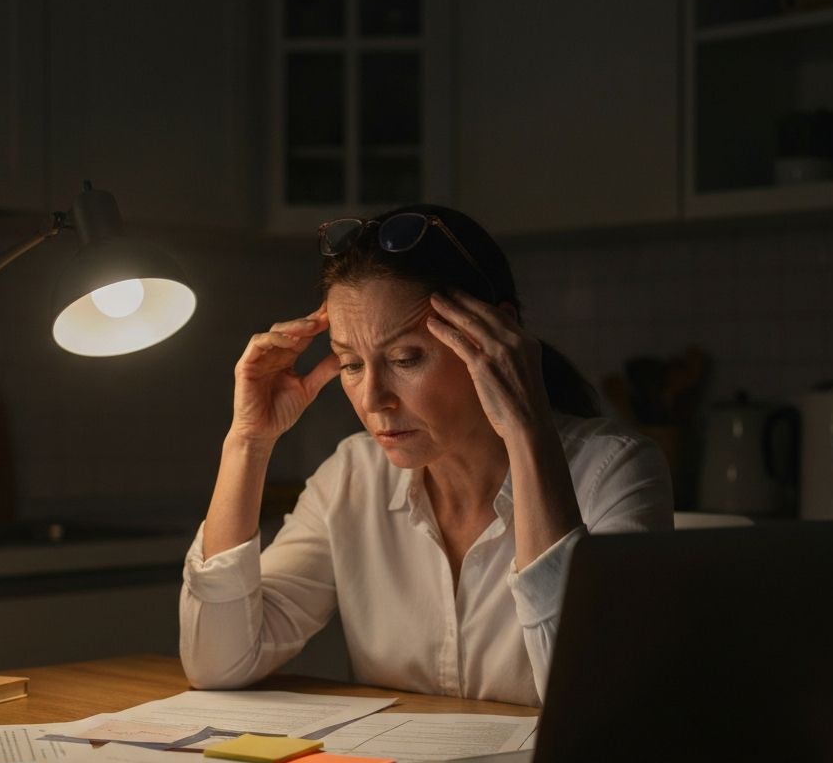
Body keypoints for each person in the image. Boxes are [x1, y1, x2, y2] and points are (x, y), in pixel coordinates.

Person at [180, 205, 673, 705]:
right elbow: (219, 663)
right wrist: (248, 441)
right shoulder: (352, 476)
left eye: (405, 358)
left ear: (497, 336)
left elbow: (594, 696)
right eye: (350, 363)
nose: (373, 400)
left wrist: (527, 431)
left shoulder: (616, 472)